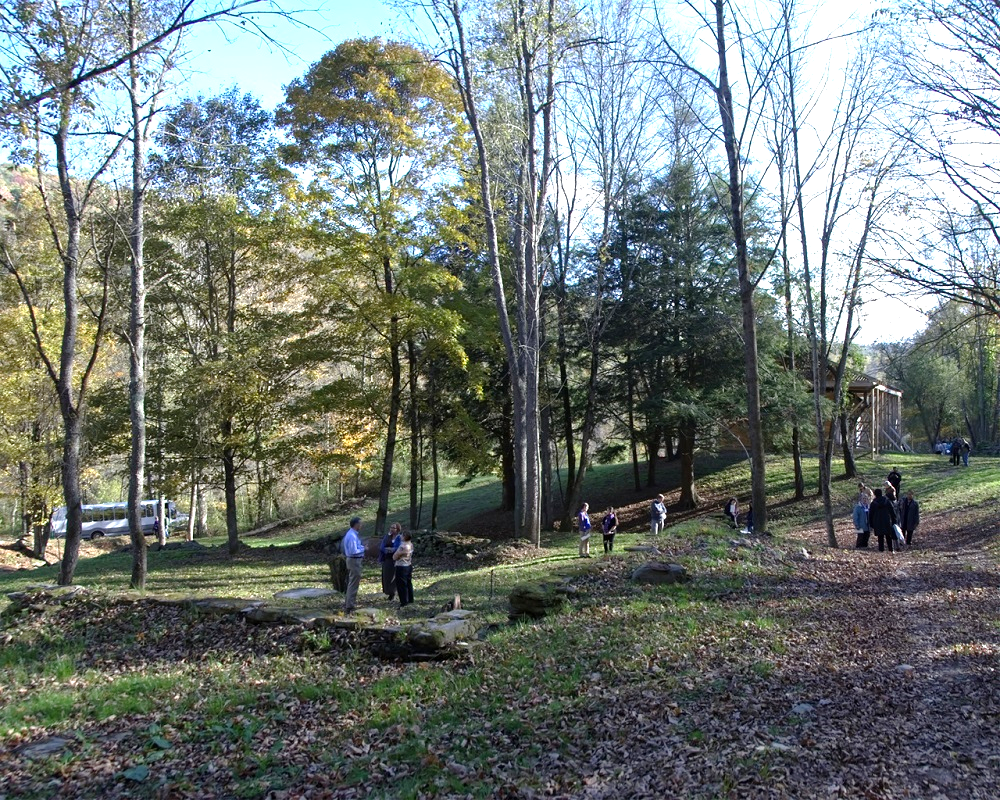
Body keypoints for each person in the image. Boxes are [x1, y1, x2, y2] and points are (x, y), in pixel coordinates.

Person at [341, 516, 366, 612]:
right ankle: (350, 606)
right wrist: (364, 548)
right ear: (356, 524)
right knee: (353, 583)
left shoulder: (353, 534)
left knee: (353, 582)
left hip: (354, 560)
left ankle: (349, 603)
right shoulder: (351, 536)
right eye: (360, 523)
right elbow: (353, 551)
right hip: (354, 560)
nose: (361, 525)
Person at [868, 488, 898, 553]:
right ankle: (891, 549)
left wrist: (871, 523)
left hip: (877, 522)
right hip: (887, 521)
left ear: (875, 494)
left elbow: (870, 514)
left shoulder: (873, 503)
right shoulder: (887, 501)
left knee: (880, 537)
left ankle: (881, 550)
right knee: (888, 536)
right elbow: (892, 511)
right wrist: (894, 520)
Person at [378, 522, 402, 601]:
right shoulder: (387, 537)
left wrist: (392, 549)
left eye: (393, 528)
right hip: (387, 559)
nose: (391, 529)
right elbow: (382, 547)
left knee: (394, 577)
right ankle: (388, 592)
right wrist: (386, 550)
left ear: (397, 529)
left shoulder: (399, 538)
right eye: (391, 527)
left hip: (396, 560)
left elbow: (399, 547)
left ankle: (393, 593)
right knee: (386, 577)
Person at [392, 531, 414, 608]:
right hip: (408, 565)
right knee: (408, 583)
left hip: (401, 566)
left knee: (401, 584)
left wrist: (395, 556)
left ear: (404, 537)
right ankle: (410, 599)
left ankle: (404, 601)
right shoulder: (411, 544)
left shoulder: (403, 546)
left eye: (402, 535)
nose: (400, 536)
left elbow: (395, 556)